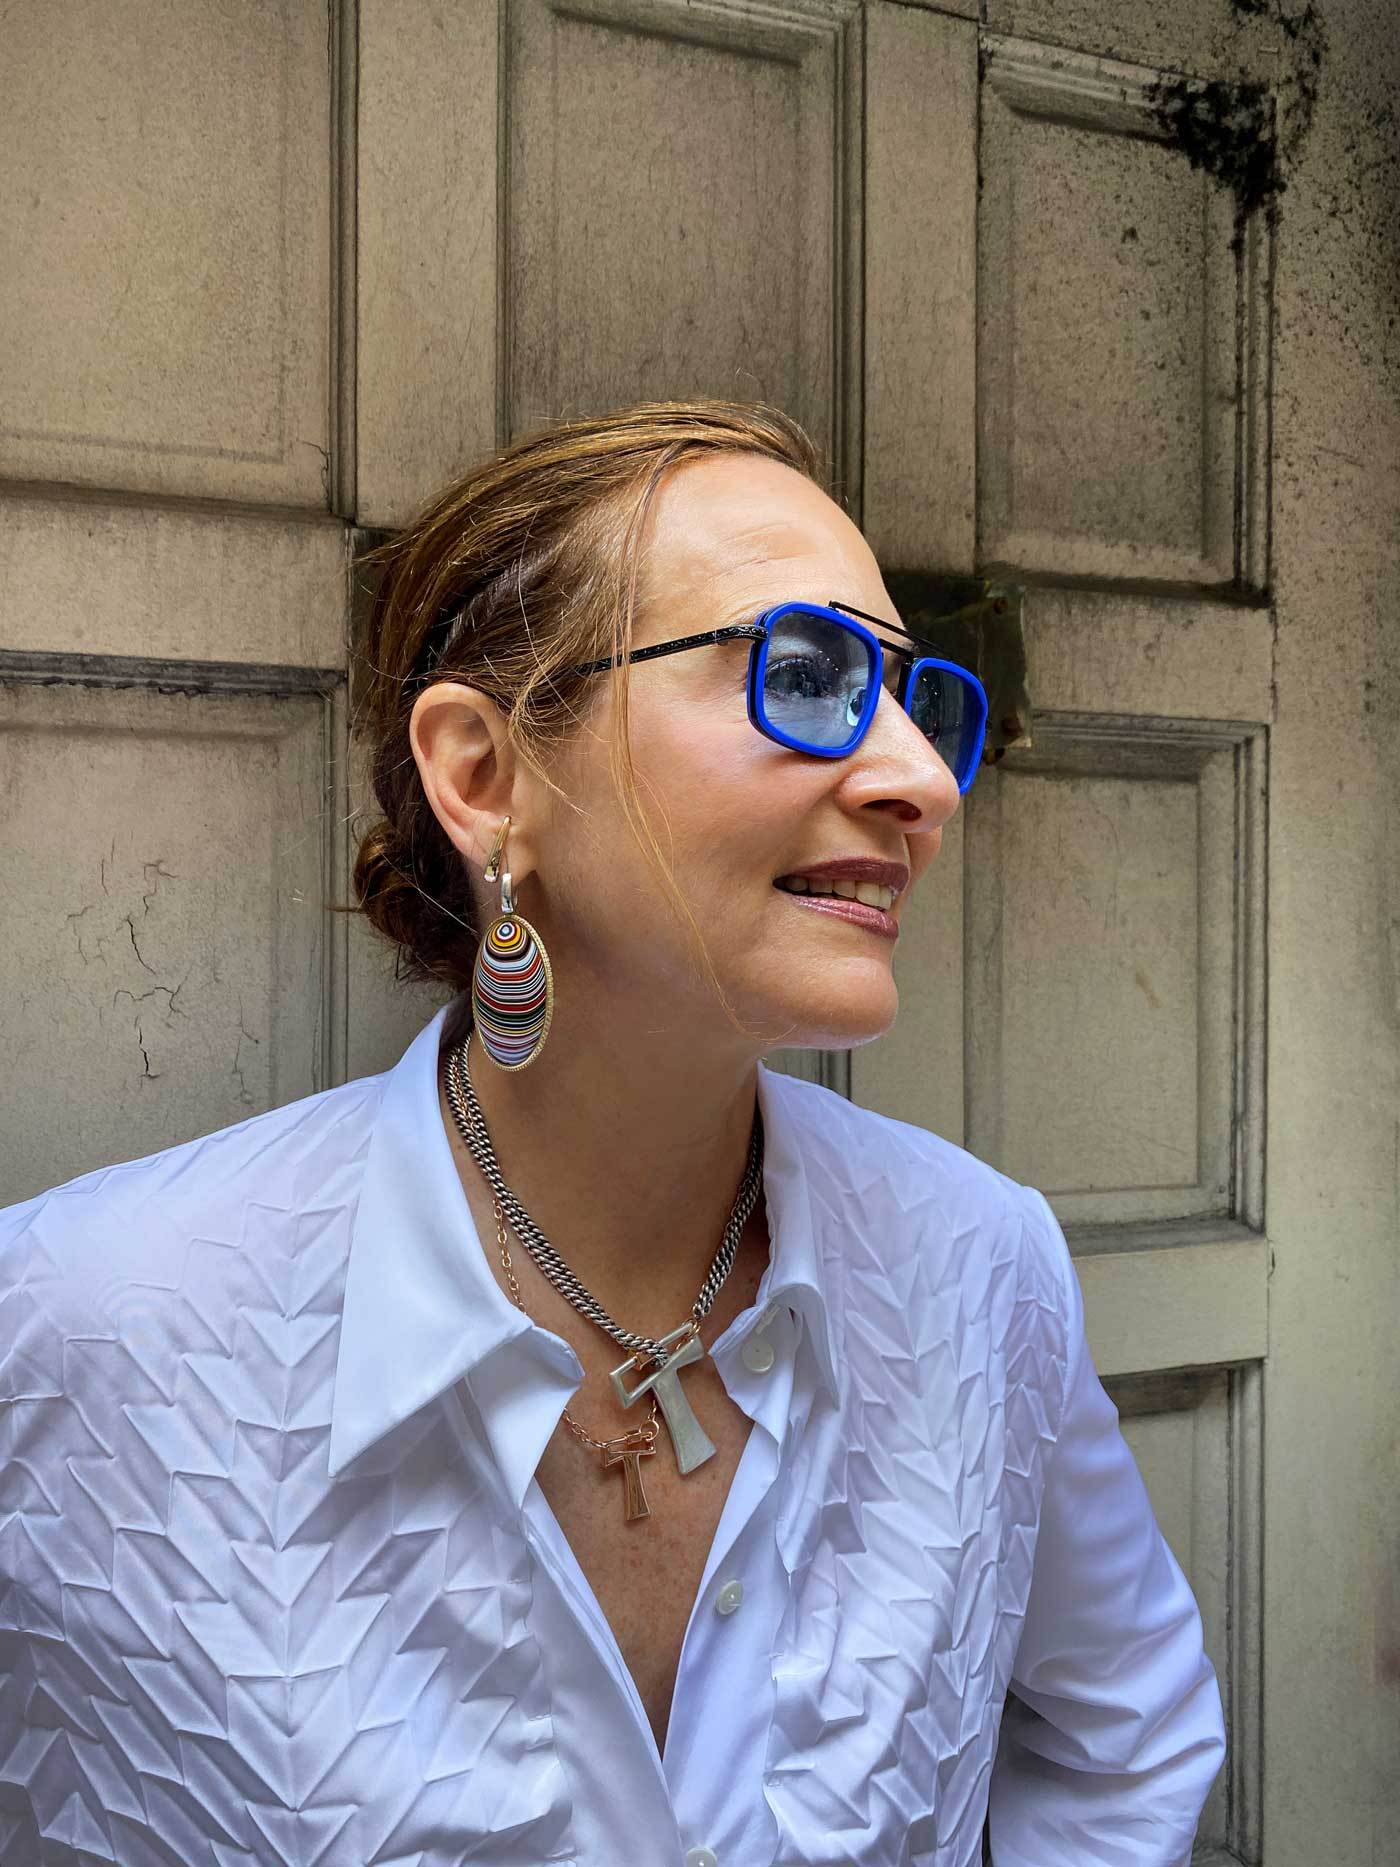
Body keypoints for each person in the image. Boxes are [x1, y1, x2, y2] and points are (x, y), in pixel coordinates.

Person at [0, 400, 1225, 1865]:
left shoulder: (982, 1265)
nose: (923, 781)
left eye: (917, 697)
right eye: (807, 670)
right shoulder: (76, 1329)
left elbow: (1126, 1736)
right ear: (486, 776)